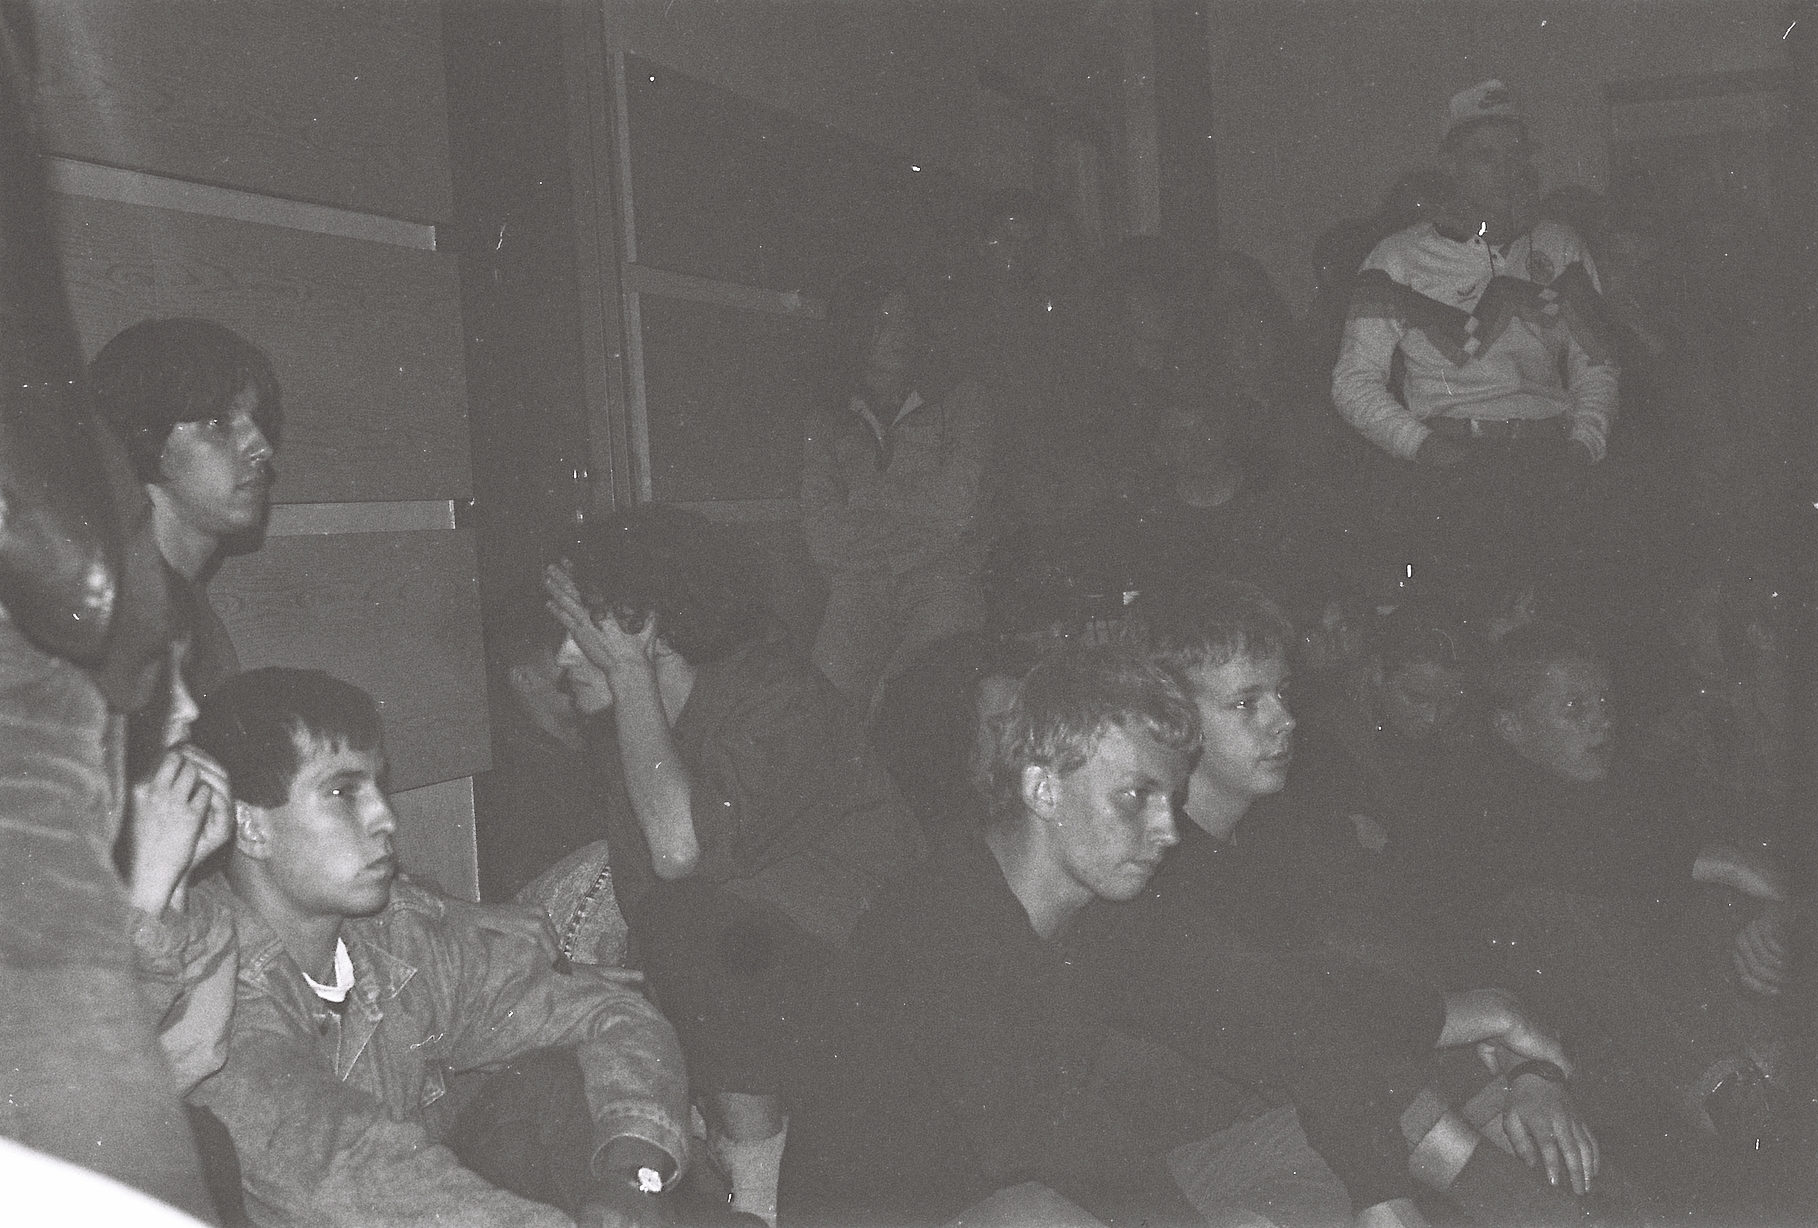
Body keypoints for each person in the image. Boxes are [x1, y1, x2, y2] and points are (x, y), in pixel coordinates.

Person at [185, 667, 695, 1228]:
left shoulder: (395, 937)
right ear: (250, 827)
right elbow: (343, 1174)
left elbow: (612, 1015)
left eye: (378, 787)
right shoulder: (208, 984)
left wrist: (631, 1176)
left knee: (556, 1083)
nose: (385, 817)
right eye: (342, 793)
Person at [544, 506, 927, 1225]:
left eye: (582, 631)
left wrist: (627, 672)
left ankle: (761, 1194)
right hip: (776, 987)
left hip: (890, 984)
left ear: (646, 628)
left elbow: (678, 854)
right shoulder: (632, 733)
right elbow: (648, 907)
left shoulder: (780, 698)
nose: (563, 657)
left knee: (694, 922)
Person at [1331, 80, 1620, 578]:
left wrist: (1583, 445)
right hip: (1454, 465)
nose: (1506, 170)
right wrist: (1424, 447)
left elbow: (1597, 364)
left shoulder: (1560, 245)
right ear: (1450, 166)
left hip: (1550, 459)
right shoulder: (1397, 258)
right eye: (1486, 157)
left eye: (1515, 154)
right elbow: (1353, 381)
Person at [800, 265, 992, 718]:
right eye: (883, 320)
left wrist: (865, 508)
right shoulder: (827, 419)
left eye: (906, 319)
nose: (899, 333)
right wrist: (915, 521)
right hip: (859, 586)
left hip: (943, 582)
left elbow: (958, 511)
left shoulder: (960, 401)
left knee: (916, 704)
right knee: (824, 708)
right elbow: (822, 536)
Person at [90, 317, 282, 696]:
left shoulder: (188, 607)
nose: (262, 446)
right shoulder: (122, 614)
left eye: (256, 420)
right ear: (145, 438)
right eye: (218, 422)